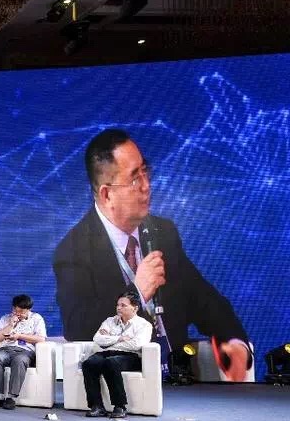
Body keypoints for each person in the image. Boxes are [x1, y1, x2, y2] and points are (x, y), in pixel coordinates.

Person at [53, 128, 249, 380]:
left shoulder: (163, 233)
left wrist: (234, 341)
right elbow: (78, 327)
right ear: (107, 194)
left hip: (178, 381)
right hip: (122, 384)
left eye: (145, 172)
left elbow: (203, 299)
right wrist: (136, 293)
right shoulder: (73, 250)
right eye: (135, 178)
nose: (146, 186)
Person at [81, 292, 153, 418]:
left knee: (111, 362)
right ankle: (97, 406)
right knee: (89, 363)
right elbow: (97, 339)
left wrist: (109, 340)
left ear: (135, 308)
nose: (119, 308)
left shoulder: (144, 325)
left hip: (130, 356)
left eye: (123, 305)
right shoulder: (109, 321)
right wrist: (119, 338)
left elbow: (136, 345)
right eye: (118, 305)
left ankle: (120, 406)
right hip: (106, 353)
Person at [0, 294, 47, 410]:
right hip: (6, 349)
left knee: (19, 360)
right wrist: (10, 325)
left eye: (21, 312)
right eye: (15, 310)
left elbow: (41, 339)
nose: (18, 314)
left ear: (29, 309)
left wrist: (19, 336)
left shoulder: (37, 319)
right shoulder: (5, 318)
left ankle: (11, 398)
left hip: (25, 351)